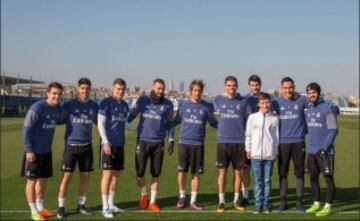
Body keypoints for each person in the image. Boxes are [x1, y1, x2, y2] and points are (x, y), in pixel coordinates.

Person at [127, 78, 175, 212]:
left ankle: (153, 202)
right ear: (152, 88)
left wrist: (171, 139)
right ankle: (144, 194)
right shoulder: (142, 100)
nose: (160, 91)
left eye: (162, 89)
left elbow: (170, 123)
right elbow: (132, 115)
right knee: (140, 173)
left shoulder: (168, 104)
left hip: (158, 143)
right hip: (142, 141)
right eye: (158, 88)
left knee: (156, 173)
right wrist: (126, 120)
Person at [57, 78, 98, 219]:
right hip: (71, 146)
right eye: (82, 88)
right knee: (66, 178)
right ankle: (61, 207)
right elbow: (58, 119)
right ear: (77, 89)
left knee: (85, 178)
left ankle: (81, 206)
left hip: (87, 146)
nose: (85, 91)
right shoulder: (68, 105)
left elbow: (100, 123)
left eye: (87, 88)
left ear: (90, 90)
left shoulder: (93, 106)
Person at [173, 80, 217, 211]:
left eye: (199, 90)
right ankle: (182, 197)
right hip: (184, 143)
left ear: (202, 92)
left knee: (196, 174)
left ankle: (193, 200)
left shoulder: (207, 107)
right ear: (190, 91)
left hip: (198, 144)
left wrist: (228, 126)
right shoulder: (183, 105)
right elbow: (175, 121)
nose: (197, 93)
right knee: (181, 172)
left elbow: (214, 123)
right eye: (195, 90)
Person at [22, 82, 63, 221]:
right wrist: (29, 150)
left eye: (59, 94)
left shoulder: (56, 108)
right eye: (54, 93)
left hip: (47, 151)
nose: (57, 96)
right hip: (34, 152)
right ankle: (33, 211)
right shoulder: (37, 107)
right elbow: (27, 128)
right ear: (48, 93)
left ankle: (40, 208)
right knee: (32, 181)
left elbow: (60, 120)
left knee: (43, 180)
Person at [213, 75, 251, 212]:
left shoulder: (244, 102)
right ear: (225, 86)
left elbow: (249, 120)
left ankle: (236, 200)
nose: (231, 88)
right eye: (228, 85)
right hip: (223, 142)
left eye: (233, 85)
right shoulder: (218, 99)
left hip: (239, 142)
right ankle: (221, 201)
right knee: (222, 172)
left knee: (237, 173)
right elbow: (208, 112)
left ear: (237, 86)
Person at [272, 77, 307, 212]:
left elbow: (317, 102)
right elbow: (261, 104)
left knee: (299, 173)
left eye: (290, 87)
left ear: (294, 87)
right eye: (285, 88)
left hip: (298, 142)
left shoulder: (302, 100)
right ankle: (283, 202)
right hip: (282, 143)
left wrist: (332, 108)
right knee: (282, 173)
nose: (288, 90)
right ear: (282, 89)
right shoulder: (275, 102)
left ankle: (299, 202)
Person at [305, 82, 338, 217]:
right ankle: (316, 203)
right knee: (313, 178)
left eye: (314, 92)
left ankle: (328, 206)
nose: (311, 95)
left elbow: (333, 130)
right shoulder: (309, 109)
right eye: (309, 92)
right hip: (311, 152)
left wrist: (324, 148)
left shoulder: (327, 109)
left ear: (318, 93)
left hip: (325, 152)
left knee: (328, 179)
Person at [98, 78, 130, 218]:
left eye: (122, 89)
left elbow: (125, 124)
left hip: (120, 144)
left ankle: (111, 204)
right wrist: (105, 142)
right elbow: (100, 124)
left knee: (116, 176)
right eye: (118, 89)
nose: (120, 91)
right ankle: (105, 207)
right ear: (112, 88)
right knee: (107, 175)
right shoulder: (106, 102)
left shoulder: (124, 105)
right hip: (108, 145)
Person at [245, 92, 279, 214]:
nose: (265, 104)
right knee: (258, 181)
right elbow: (248, 135)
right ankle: (258, 204)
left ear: (270, 103)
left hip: (269, 155)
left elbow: (276, 137)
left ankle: (266, 204)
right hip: (255, 154)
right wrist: (248, 149)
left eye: (267, 102)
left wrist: (275, 152)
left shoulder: (274, 118)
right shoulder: (252, 117)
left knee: (267, 181)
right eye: (263, 102)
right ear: (258, 104)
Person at [241, 74, 262, 207]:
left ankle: (260, 196)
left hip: (262, 141)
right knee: (246, 169)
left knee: (260, 170)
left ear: (260, 85)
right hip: (248, 140)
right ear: (249, 85)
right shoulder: (244, 99)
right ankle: (245, 196)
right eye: (252, 85)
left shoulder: (265, 98)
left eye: (257, 85)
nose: (255, 87)